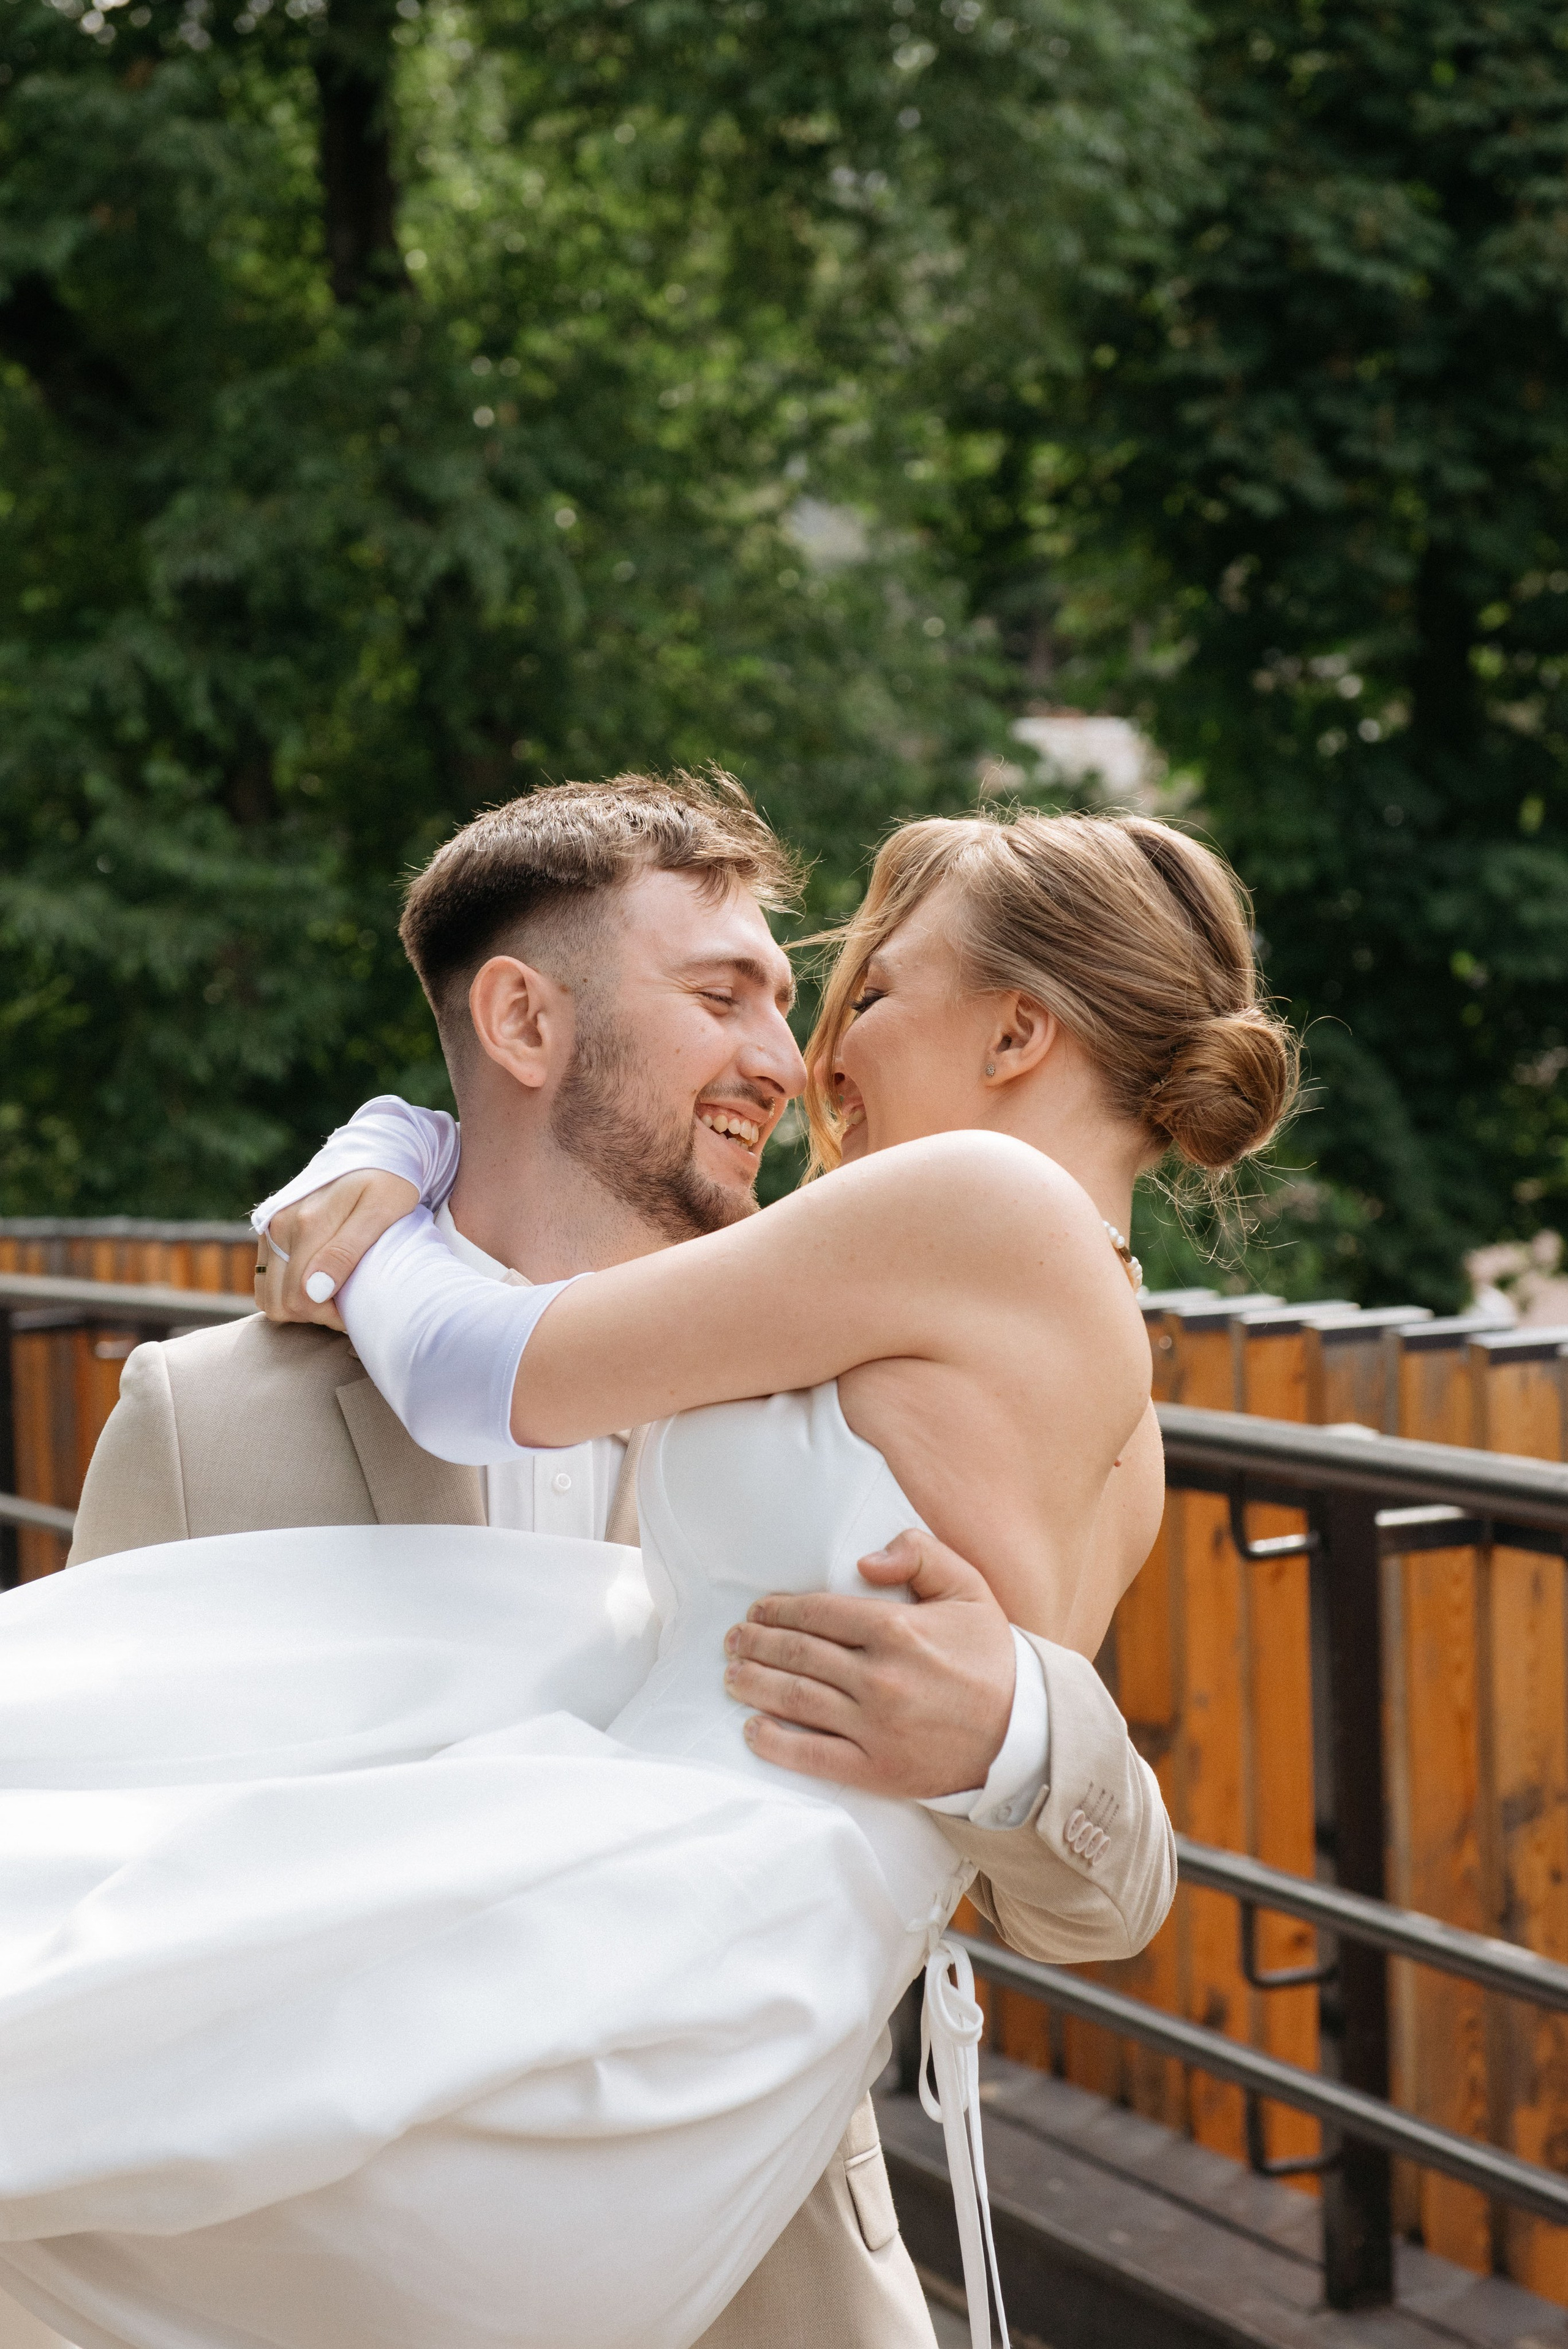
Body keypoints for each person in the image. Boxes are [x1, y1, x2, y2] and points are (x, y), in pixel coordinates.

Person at [0, 794, 1289, 2349]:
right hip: (358, 2203)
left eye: (847, 994)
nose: (803, 1055)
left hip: (718, 2176)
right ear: (522, 1018)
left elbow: (1103, 1885)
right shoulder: (210, 1423)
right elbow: (126, 1826)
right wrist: (409, 1150)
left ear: (1016, 1035)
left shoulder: (904, 1275)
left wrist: (1015, 1733)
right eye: (723, 996)